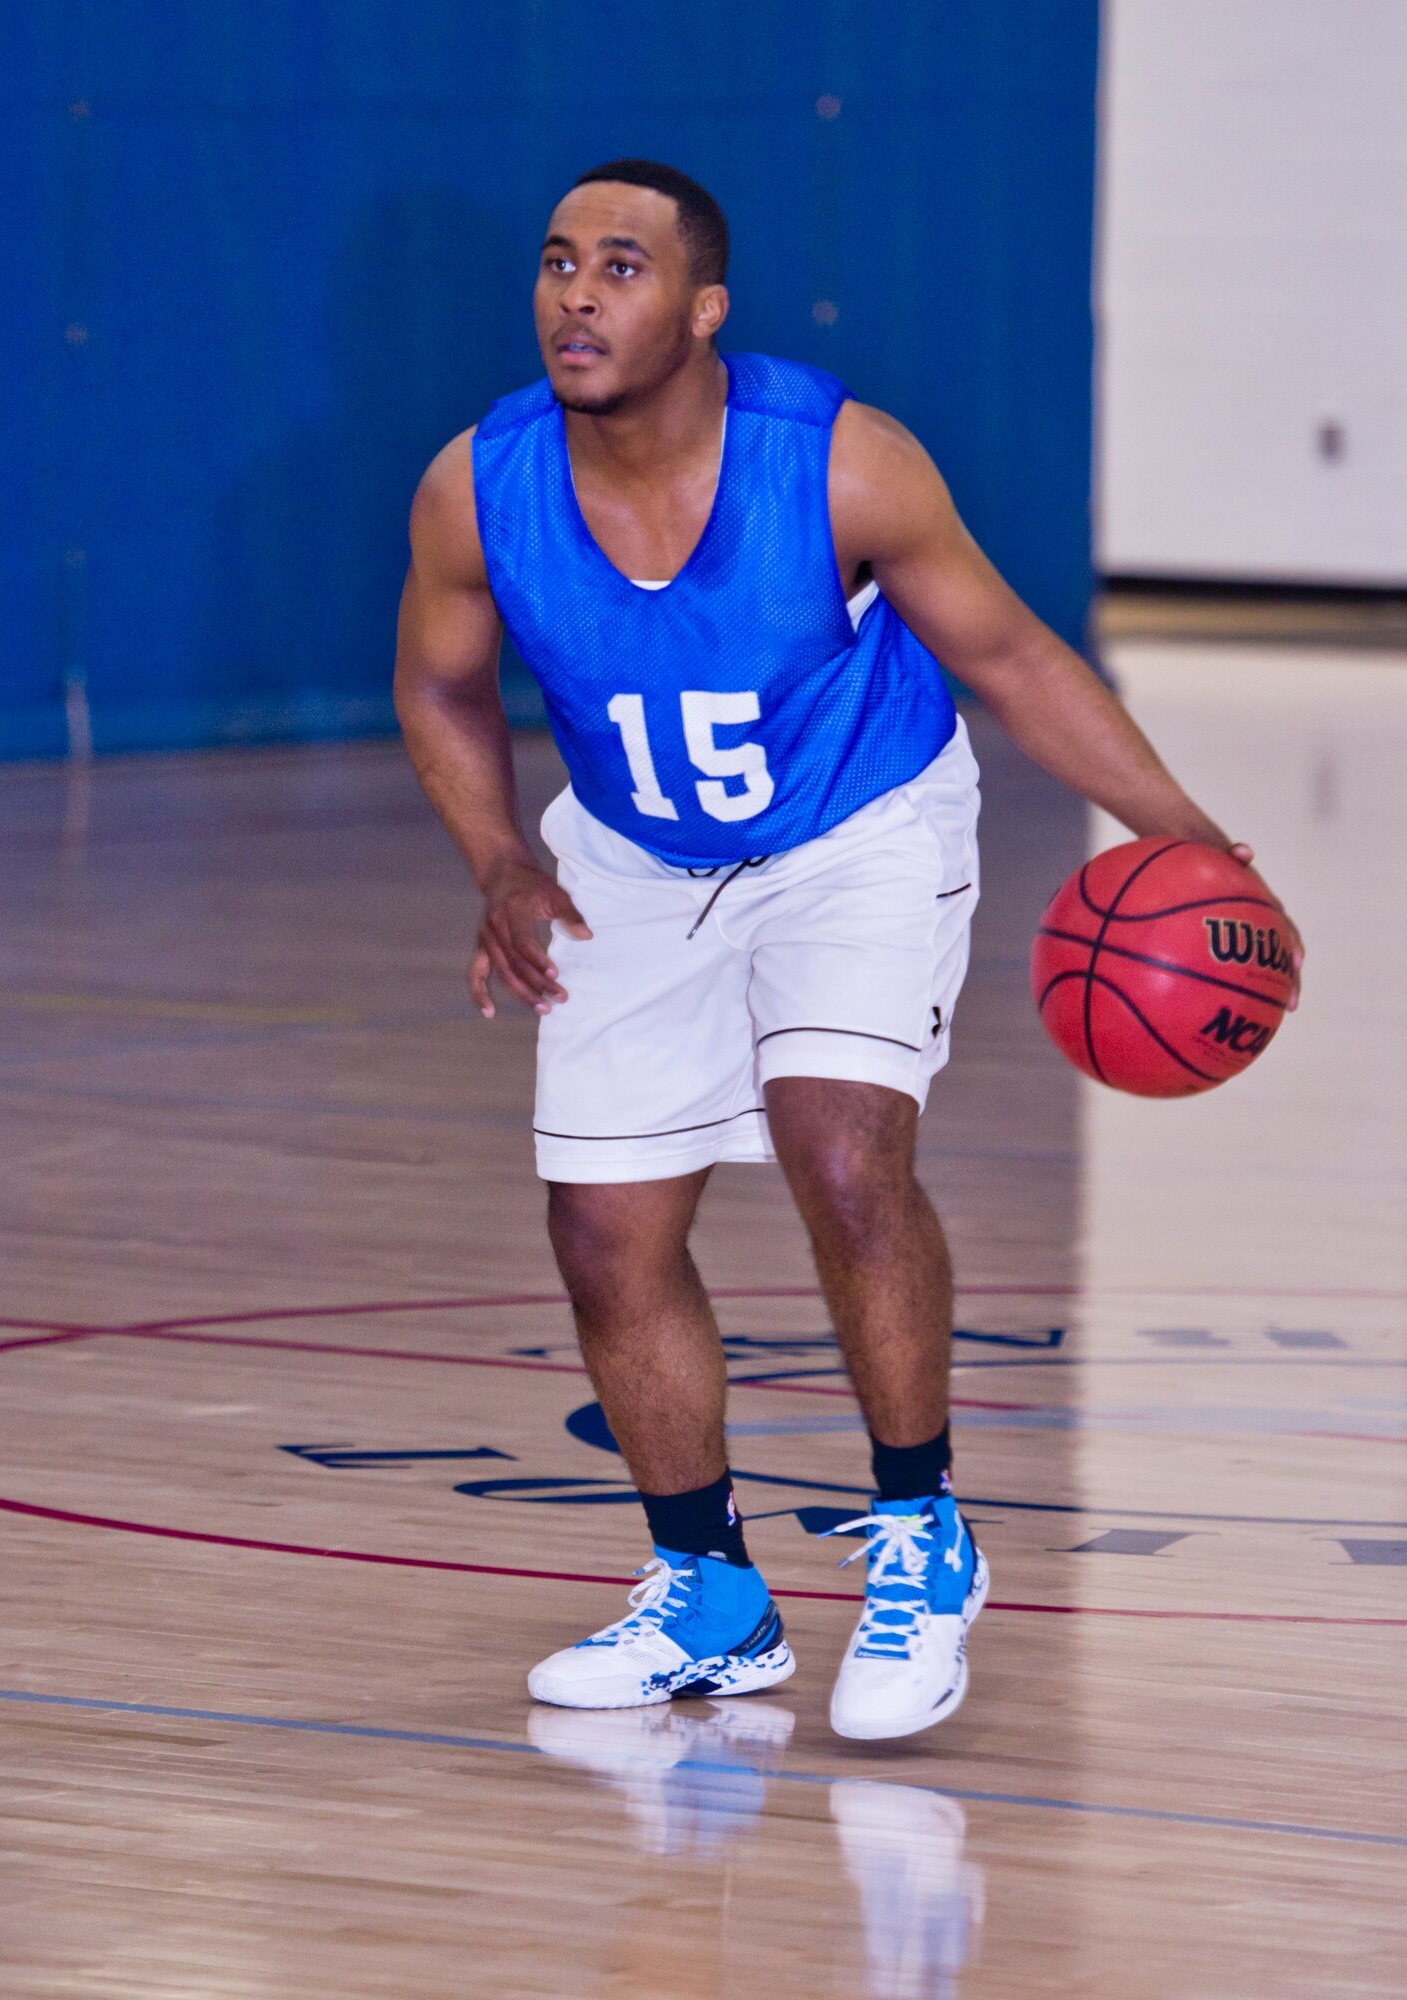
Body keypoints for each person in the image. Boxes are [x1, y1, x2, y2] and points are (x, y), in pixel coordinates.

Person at [394, 158, 1288, 1739]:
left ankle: (925, 1539)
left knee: (843, 1148)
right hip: (634, 858)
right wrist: (498, 856)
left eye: (621, 267)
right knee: (602, 1231)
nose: (577, 295)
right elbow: (442, 686)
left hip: (855, 831)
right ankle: (711, 1596)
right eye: (557, 263)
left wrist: (1192, 834)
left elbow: (1009, 658)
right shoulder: (482, 481)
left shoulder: (838, 464)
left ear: (704, 309)